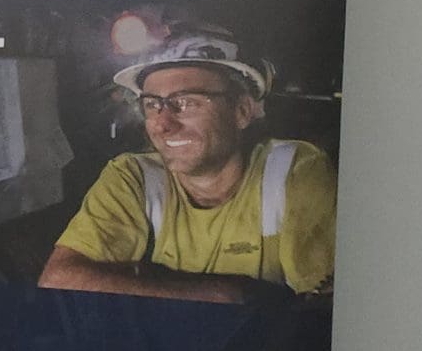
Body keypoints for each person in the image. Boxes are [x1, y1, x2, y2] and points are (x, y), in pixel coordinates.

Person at [42, 24, 336, 301]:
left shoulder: (293, 172)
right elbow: (59, 278)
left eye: (186, 102)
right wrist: (227, 296)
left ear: (242, 111)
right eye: (152, 105)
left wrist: (145, 282)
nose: (163, 124)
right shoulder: (133, 176)